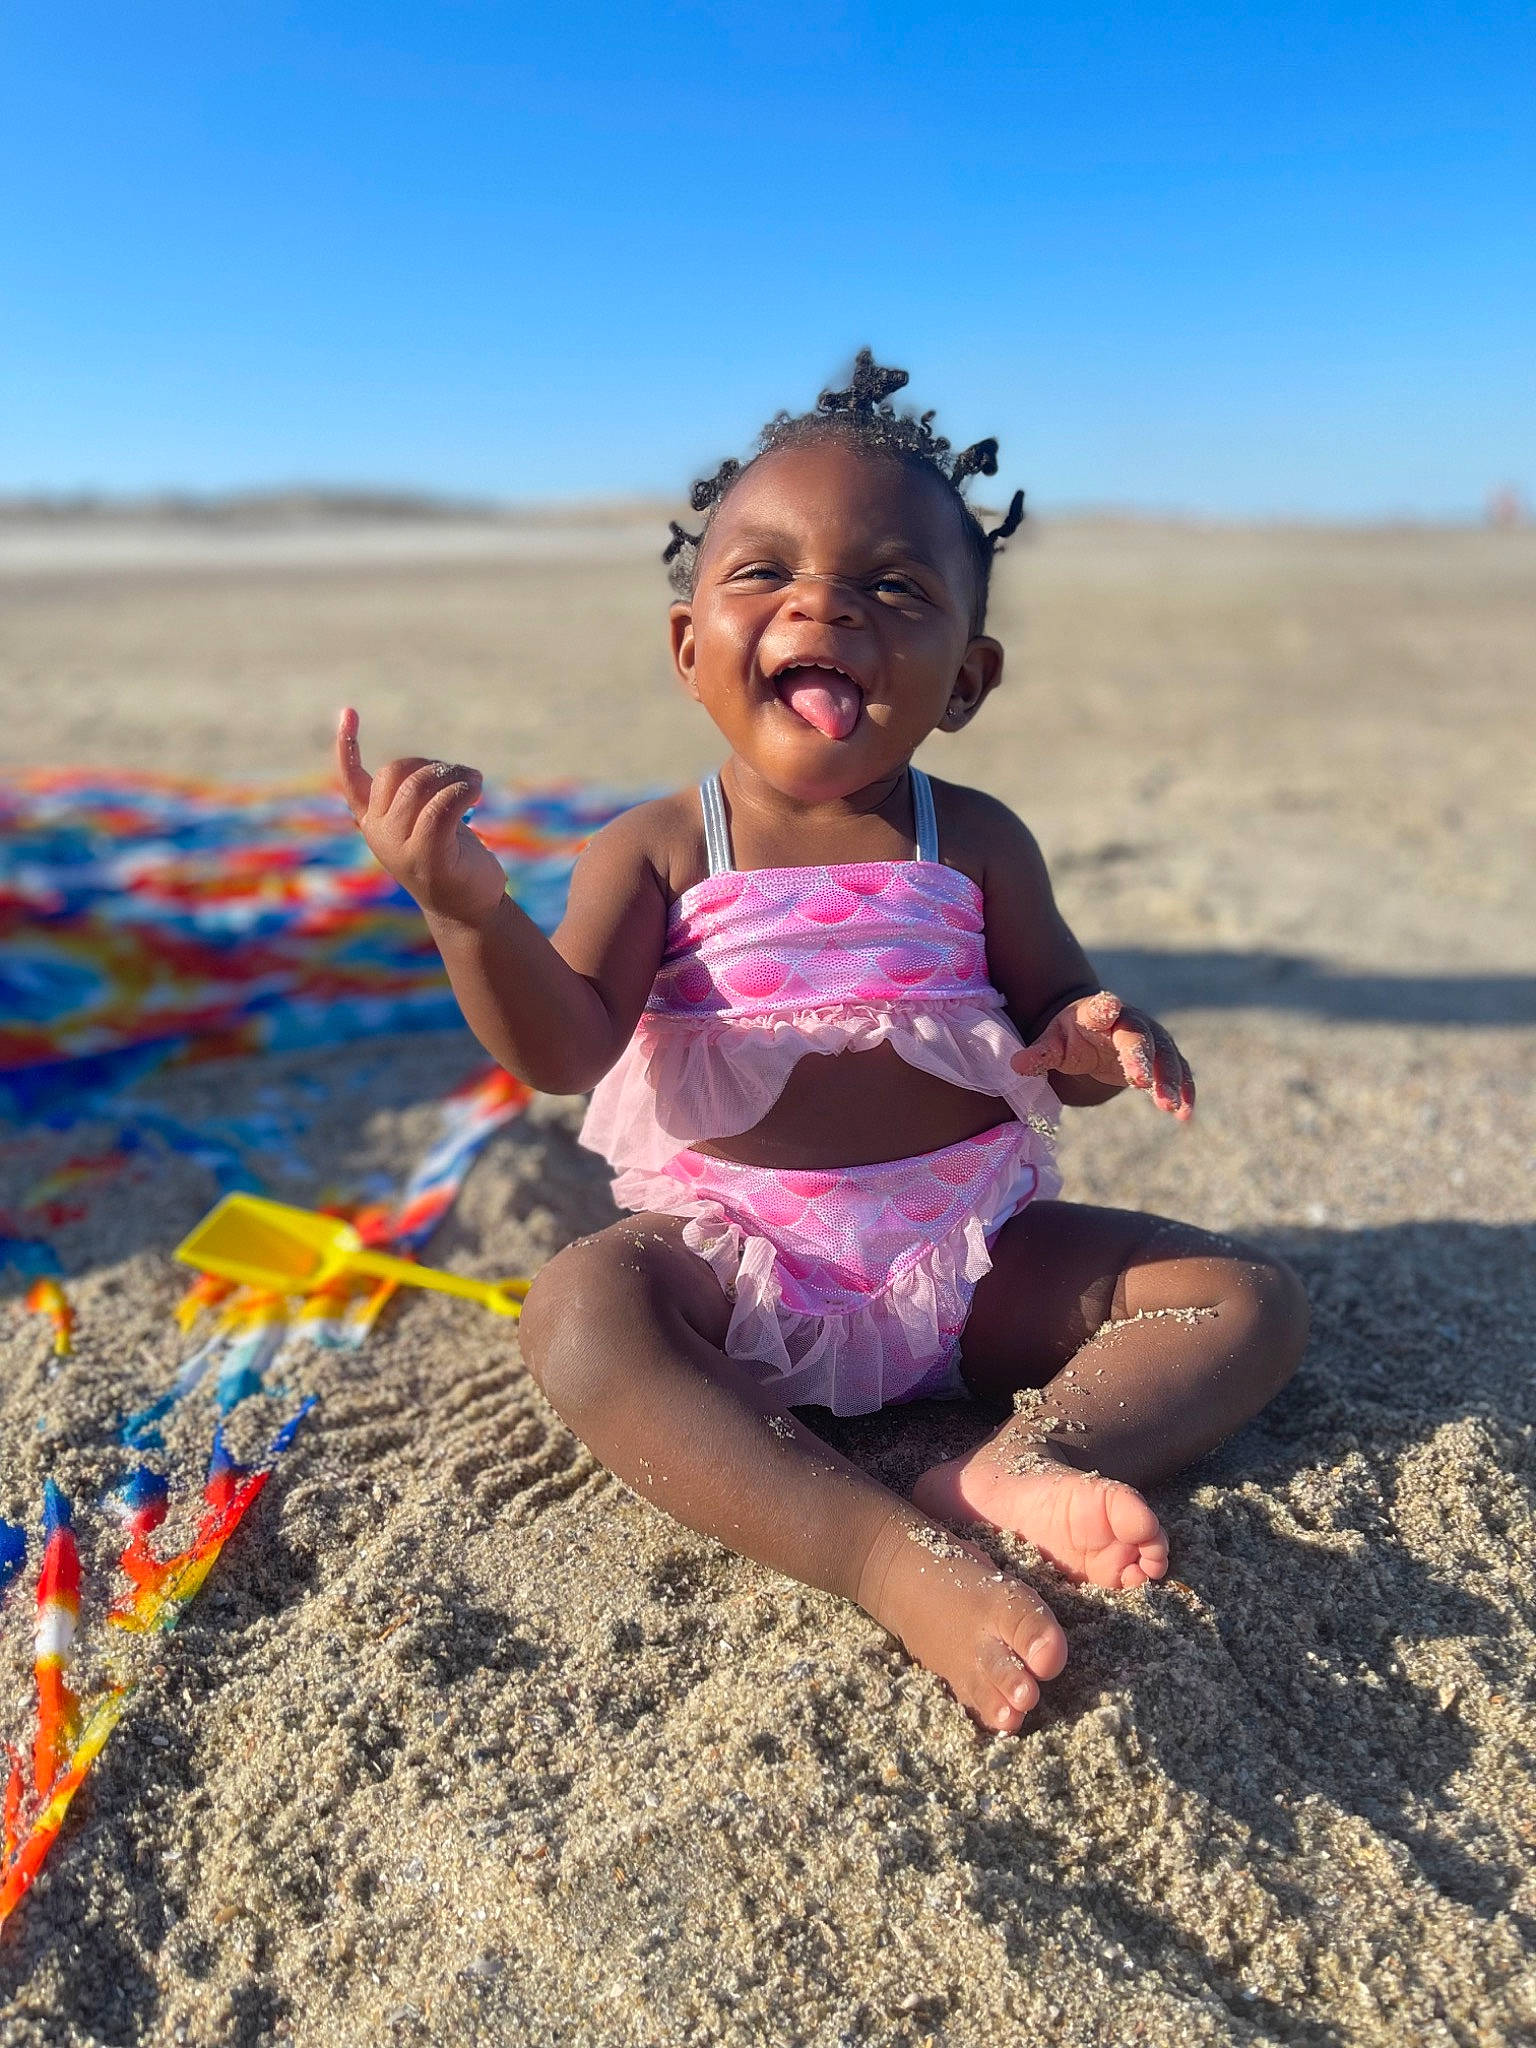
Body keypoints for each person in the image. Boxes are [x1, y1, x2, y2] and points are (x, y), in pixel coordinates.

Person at [336, 354, 1309, 1733]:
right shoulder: (661, 850)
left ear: (965, 677)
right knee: (579, 1314)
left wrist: (1098, 1038)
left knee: (1244, 1300)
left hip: (971, 1255)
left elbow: (1057, 1029)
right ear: (690, 649)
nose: (824, 603)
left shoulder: (974, 843)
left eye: (893, 589)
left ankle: (1015, 1465)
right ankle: (871, 1550)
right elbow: (563, 1047)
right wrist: (466, 915)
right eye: (766, 574)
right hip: (744, 1263)